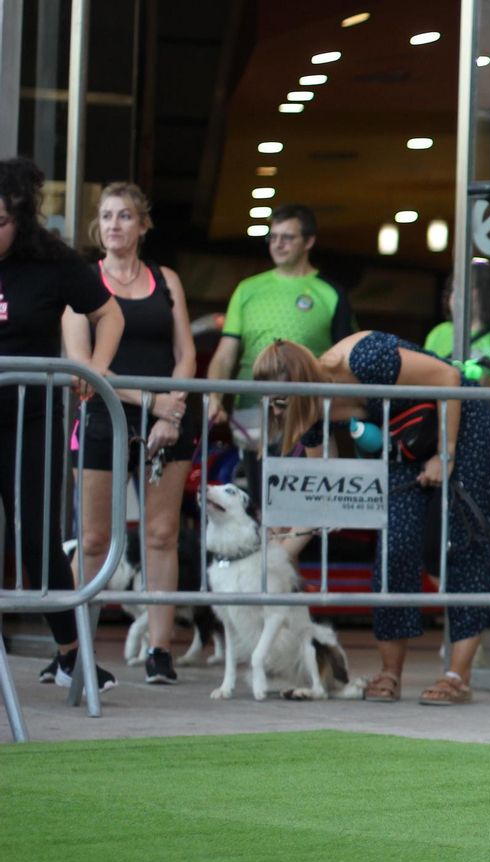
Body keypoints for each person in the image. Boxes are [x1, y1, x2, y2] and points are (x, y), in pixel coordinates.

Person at [252, 332, 490, 705]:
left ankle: (457, 676)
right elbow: (326, 494)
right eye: (270, 403)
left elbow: (448, 378)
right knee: (394, 545)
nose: (276, 412)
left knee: (462, 538)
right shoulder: (309, 417)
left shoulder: (363, 359)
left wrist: (445, 455)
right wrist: (276, 552)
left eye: (281, 402)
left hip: (460, 420)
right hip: (405, 438)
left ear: (303, 386)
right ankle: (390, 672)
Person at [62, 182, 199, 685]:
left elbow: (185, 353)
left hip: (170, 419)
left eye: (124, 216)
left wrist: (173, 410)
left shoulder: (166, 279)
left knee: (161, 535)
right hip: (104, 416)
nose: (114, 224)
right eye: (106, 216)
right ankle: (70, 649)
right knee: (94, 539)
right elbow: (84, 365)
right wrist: (151, 401)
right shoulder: (83, 281)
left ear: (143, 225)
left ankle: (160, 650)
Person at [0, 157, 125, 691]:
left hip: (29, 420)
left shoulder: (50, 262)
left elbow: (109, 313)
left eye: (0, 221)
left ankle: (72, 652)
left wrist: (94, 371)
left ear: (20, 219)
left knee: (36, 540)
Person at [204, 204, 354, 498]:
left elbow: (342, 358)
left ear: (309, 241)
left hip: (306, 410)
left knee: (303, 500)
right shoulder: (247, 289)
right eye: (272, 237)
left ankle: (289, 545)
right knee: (260, 497)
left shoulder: (331, 292)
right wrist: (215, 399)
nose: (278, 244)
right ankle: (266, 544)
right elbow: (225, 353)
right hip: (252, 405)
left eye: (287, 237)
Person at [425, 260, 490, 387]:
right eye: (453, 289)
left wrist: (488, 382)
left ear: (486, 293)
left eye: (467, 287)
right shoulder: (438, 333)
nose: (455, 295)